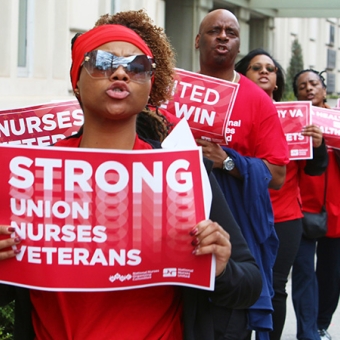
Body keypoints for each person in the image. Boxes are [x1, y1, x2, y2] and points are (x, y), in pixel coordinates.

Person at [0, 10, 262, 340]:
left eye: (137, 67)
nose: (121, 73)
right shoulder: (29, 173)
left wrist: (220, 268)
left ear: (150, 84)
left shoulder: (180, 173)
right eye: (102, 63)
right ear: (76, 81)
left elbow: (250, 284)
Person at [195, 10, 289, 340]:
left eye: (231, 33)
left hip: (234, 239)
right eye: (214, 31)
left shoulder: (256, 100)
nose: (222, 36)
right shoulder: (174, 92)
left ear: (238, 47)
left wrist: (228, 162)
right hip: (179, 233)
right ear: (197, 40)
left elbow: (276, 174)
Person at [235, 49, 328, 340]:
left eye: (270, 69)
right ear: (242, 75)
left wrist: (318, 145)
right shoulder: (231, 113)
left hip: (284, 218)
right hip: (241, 215)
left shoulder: (298, 117)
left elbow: (313, 171)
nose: (264, 72)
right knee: (239, 287)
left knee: (275, 289)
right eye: (256, 67)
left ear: (277, 82)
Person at [292, 69, 340, 340]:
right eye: (302, 86)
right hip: (301, 210)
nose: (308, 89)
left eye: (313, 84)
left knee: (332, 276)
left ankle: (321, 324)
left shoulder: (338, 121)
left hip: (336, 212)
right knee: (303, 276)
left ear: (324, 89)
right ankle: (308, 332)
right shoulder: (291, 123)